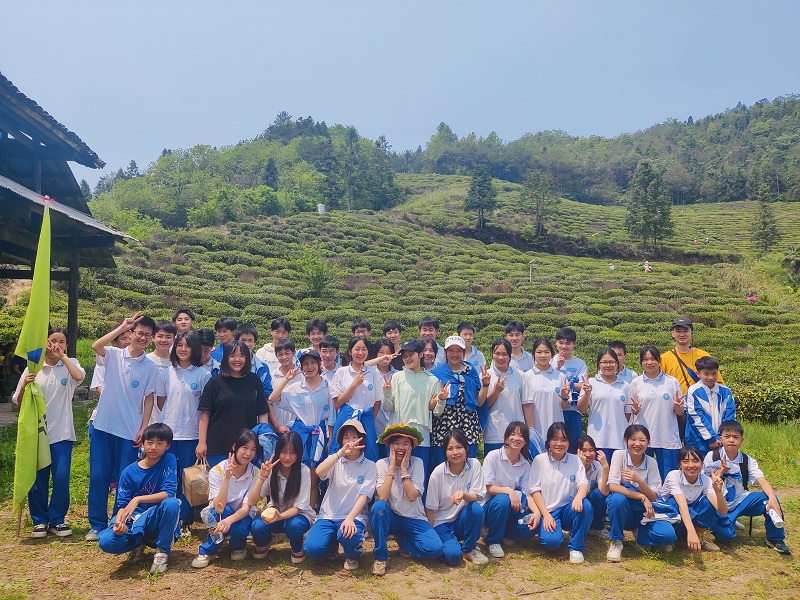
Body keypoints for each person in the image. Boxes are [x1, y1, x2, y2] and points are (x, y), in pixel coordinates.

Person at [87, 312, 159, 541]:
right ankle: (97, 524)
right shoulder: (114, 354)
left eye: (148, 335)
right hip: (103, 426)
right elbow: (96, 345)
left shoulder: (150, 367)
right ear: (131, 333)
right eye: (140, 333)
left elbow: (149, 398)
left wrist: (144, 428)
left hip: (129, 430)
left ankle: (116, 521)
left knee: (124, 479)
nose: (143, 338)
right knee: (98, 475)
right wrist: (121, 327)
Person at [14, 328, 85, 538]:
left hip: (62, 432)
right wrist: (25, 385)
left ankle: (57, 520)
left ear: (67, 345)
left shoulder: (70, 364)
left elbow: (79, 377)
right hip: (37, 433)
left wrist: (63, 357)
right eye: (53, 340)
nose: (56, 345)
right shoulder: (33, 368)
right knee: (38, 480)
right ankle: (39, 521)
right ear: (45, 343)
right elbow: (19, 401)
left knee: (61, 477)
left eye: (62, 341)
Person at [97, 423, 181, 575]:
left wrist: (137, 499)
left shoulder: (168, 460)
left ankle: (162, 551)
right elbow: (123, 505)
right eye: (149, 442)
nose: (153, 447)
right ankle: (137, 543)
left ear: (168, 446)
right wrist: (119, 524)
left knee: (172, 504)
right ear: (143, 444)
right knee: (106, 541)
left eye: (159, 443)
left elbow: (168, 492)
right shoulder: (128, 472)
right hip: (134, 519)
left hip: (156, 518)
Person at [703, 420, 791, 554]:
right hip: (719, 503)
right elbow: (706, 482)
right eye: (727, 436)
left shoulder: (747, 460)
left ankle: (776, 539)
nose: (731, 440)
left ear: (741, 440)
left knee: (769, 499)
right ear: (720, 439)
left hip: (741, 501)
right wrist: (721, 471)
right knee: (725, 537)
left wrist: (772, 498)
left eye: (735, 437)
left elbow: (761, 480)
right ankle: (720, 523)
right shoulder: (712, 456)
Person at [370, 423, 444, 576]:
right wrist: (391, 467)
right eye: (397, 443)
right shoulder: (381, 464)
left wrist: (404, 469)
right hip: (391, 517)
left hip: (413, 518)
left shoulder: (417, 463)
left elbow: (412, 496)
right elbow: (383, 496)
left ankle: (403, 540)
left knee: (435, 549)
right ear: (390, 446)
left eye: (405, 443)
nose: (401, 447)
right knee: (378, 507)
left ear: (411, 447)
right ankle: (381, 557)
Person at [304, 419, 377, 571]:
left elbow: (364, 496)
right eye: (346, 437)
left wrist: (350, 518)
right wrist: (339, 454)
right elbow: (319, 472)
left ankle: (353, 554)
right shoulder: (336, 460)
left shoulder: (370, 466)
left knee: (347, 535)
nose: (351, 441)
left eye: (354, 437)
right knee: (312, 548)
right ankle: (331, 547)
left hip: (355, 517)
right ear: (341, 441)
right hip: (328, 516)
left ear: (362, 440)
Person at [154, 331, 210, 527]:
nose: (183, 349)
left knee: (187, 479)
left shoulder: (203, 375)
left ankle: (184, 518)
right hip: (168, 435)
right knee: (168, 475)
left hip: (191, 435)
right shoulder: (166, 374)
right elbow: (161, 402)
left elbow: (206, 409)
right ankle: (167, 515)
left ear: (195, 349)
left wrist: (202, 440)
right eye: (179, 345)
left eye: (187, 345)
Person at [268, 349, 331, 508]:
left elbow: (332, 416)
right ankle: (289, 508)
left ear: (319, 364)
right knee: (295, 473)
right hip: (300, 434)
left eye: (313, 363)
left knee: (313, 477)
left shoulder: (328, 387)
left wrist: (330, 438)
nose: (310, 367)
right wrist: (287, 379)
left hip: (319, 436)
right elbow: (273, 398)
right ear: (301, 367)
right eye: (305, 364)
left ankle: (309, 512)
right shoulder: (295, 388)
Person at [605, 424, 676, 562]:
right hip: (626, 509)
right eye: (633, 439)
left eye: (642, 440)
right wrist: (641, 496)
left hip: (645, 512)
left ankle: (641, 534)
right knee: (617, 499)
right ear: (626, 440)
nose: (637, 444)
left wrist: (640, 481)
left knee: (668, 535)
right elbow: (613, 486)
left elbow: (654, 497)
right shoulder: (619, 455)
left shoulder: (651, 462)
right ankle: (616, 541)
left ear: (648, 443)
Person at [192, 429, 261, 568]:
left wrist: (229, 521)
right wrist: (227, 478)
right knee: (218, 514)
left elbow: (246, 507)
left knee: (240, 529)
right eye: (245, 448)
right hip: (220, 512)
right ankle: (208, 550)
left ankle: (238, 545)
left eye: (253, 449)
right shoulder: (217, 470)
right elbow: (219, 507)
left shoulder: (255, 473)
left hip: (241, 514)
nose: (248, 453)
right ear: (234, 447)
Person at [197, 341, 269, 467]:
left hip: (246, 447)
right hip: (218, 446)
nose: (237, 359)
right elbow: (205, 414)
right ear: (226, 358)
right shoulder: (215, 382)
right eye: (232, 356)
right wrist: (202, 442)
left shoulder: (254, 381)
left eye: (241, 356)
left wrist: (262, 439)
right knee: (220, 479)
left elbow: (262, 412)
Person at [529, 422, 592, 564]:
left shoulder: (575, 460)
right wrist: (546, 515)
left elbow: (583, 483)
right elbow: (534, 490)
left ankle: (576, 548)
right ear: (548, 441)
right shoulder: (539, 460)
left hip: (568, 509)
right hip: (549, 511)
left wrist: (578, 497)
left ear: (569, 442)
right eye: (555, 439)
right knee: (552, 543)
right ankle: (555, 532)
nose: (559, 443)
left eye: (564, 440)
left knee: (586, 506)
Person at [248, 432, 315, 563]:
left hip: (299, 515)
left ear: (299, 454)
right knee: (257, 526)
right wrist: (262, 477)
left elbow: (298, 508)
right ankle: (264, 543)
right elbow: (251, 501)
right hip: (276, 514)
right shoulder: (271, 470)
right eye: (284, 452)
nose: (287, 457)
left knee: (294, 525)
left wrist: (280, 517)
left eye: (292, 453)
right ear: (277, 451)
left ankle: (297, 547)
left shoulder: (304, 471)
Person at [425, 428, 488, 565]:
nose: (455, 452)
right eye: (450, 449)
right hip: (442, 522)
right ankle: (451, 546)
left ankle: (469, 548)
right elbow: (430, 507)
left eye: (459, 447)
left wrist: (464, 495)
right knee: (452, 556)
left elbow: (477, 495)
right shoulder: (438, 473)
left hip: (462, 519)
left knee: (476, 509)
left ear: (466, 448)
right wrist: (431, 534)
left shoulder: (474, 465)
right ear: (445, 452)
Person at [381, 339, 441, 482]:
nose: (407, 358)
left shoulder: (432, 380)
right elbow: (388, 408)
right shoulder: (396, 377)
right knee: (395, 476)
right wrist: (387, 393)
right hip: (398, 434)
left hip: (422, 436)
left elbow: (437, 412)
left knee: (419, 478)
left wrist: (442, 400)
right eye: (405, 356)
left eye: (411, 354)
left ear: (420, 354)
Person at [660, 317, 722, 440]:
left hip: (700, 409)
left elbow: (717, 381)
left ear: (692, 333)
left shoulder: (703, 355)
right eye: (678, 331)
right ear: (672, 333)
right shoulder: (665, 358)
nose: (682, 334)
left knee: (698, 445)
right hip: (675, 409)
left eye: (685, 331)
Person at [481, 422, 537, 558]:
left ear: (525, 441)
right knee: (503, 500)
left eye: (521, 435)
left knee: (530, 529)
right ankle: (493, 540)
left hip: (511, 509)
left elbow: (527, 494)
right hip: (490, 507)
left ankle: (502, 532)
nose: (516, 438)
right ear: (506, 437)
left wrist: (537, 512)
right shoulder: (493, 456)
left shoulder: (525, 464)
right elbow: (487, 487)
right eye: (512, 434)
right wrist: (509, 491)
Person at [430, 336, 487, 469]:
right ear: (445, 352)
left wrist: (485, 385)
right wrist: (440, 398)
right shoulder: (436, 373)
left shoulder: (471, 371)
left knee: (468, 467)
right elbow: (431, 405)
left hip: (468, 426)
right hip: (443, 426)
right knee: (442, 466)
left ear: (464, 352)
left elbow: (479, 402)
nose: (455, 354)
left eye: (459, 351)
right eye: (451, 350)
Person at [629, 345, 683, 481]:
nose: (649, 362)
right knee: (643, 478)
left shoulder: (671, 382)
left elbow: (680, 412)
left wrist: (678, 406)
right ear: (641, 362)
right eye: (645, 359)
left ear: (659, 360)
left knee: (668, 479)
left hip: (667, 437)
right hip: (642, 438)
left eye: (653, 359)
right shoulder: (636, 383)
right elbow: (633, 410)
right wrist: (635, 409)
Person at [661, 445, 727, 553]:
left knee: (708, 502)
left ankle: (699, 536)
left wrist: (718, 491)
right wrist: (690, 531)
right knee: (674, 503)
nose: (691, 465)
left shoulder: (706, 480)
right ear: (680, 464)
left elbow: (722, 511)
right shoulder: (673, 476)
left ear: (702, 463)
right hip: (674, 514)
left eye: (695, 461)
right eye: (685, 461)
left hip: (690, 513)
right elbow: (682, 503)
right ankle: (671, 538)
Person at [328, 336, 382, 462]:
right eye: (357, 349)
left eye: (364, 349)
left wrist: (369, 419)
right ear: (349, 351)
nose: (360, 353)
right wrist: (354, 385)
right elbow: (337, 403)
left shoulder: (374, 372)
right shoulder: (342, 372)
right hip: (346, 418)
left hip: (367, 419)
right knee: (341, 453)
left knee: (369, 454)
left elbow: (378, 401)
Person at [577, 348, 635, 459]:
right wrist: (587, 393)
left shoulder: (626, 386)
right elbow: (581, 409)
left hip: (619, 440)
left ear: (617, 364)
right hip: (597, 439)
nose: (608, 365)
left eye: (611, 362)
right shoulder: (591, 383)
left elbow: (627, 414)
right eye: (604, 362)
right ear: (599, 364)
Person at [483, 339, 534, 455]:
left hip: (517, 434)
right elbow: (483, 405)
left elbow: (527, 406)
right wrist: (495, 391)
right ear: (492, 354)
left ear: (510, 355)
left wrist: (531, 433)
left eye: (504, 354)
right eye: (497, 353)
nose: (500, 357)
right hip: (495, 433)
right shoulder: (486, 375)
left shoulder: (520, 375)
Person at [685, 356, 736, 455]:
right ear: (698, 374)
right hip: (698, 440)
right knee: (697, 463)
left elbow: (730, 416)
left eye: (714, 373)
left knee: (720, 464)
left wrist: (722, 437)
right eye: (706, 374)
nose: (711, 377)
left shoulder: (726, 391)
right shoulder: (693, 391)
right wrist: (711, 439)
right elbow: (696, 417)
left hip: (721, 441)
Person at [88, 326, 131, 438]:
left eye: (130, 338)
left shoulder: (140, 362)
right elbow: (100, 388)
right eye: (123, 338)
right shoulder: (106, 359)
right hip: (104, 418)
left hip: (128, 420)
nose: (128, 342)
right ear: (114, 342)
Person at [551, 327, 587, 453]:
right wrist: (557, 367)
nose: (564, 346)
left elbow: (583, 385)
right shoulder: (551, 360)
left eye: (568, 343)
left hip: (573, 410)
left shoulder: (580, 364)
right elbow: (547, 380)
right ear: (556, 343)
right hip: (555, 409)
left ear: (574, 344)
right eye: (561, 343)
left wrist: (569, 385)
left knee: (572, 445)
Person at [525, 338, 569, 440]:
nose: (543, 355)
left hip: (555, 429)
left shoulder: (560, 376)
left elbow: (564, 406)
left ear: (552, 354)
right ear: (533, 354)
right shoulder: (526, 377)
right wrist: (531, 431)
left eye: (546, 352)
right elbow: (525, 406)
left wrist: (564, 397)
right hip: (534, 430)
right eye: (539, 352)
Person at [575, 434, 610, 538]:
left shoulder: (597, 465)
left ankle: (596, 527)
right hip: (575, 502)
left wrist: (605, 467)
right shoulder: (572, 464)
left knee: (598, 494)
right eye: (583, 450)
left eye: (591, 450)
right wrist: (581, 467)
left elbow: (604, 492)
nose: (588, 454)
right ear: (577, 451)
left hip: (590, 502)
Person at [147, 321, 177, 424]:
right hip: (146, 419)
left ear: (174, 339)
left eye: (168, 337)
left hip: (170, 419)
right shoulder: (145, 360)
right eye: (160, 336)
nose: (164, 340)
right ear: (153, 337)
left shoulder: (177, 364)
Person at [271, 338, 301, 431]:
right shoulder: (272, 376)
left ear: (294, 353)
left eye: (287, 353)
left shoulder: (302, 375)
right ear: (276, 355)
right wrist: (277, 425)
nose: (284, 357)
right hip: (278, 426)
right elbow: (269, 403)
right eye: (280, 354)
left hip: (299, 426)